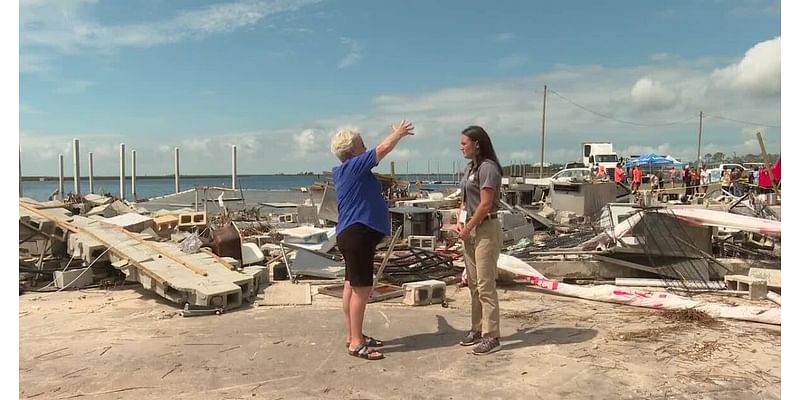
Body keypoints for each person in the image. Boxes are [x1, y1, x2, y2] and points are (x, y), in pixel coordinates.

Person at [330, 120, 415, 360]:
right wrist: (398, 134)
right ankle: (356, 342)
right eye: (361, 144)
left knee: (351, 286)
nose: (365, 147)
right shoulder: (354, 166)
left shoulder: (347, 171)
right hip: (358, 234)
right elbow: (382, 149)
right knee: (362, 289)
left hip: (352, 233)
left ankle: (353, 335)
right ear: (352, 150)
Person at [457, 126, 504, 356]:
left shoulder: (488, 168)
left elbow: (485, 204)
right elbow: (465, 201)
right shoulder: (470, 169)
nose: (461, 147)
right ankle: (476, 328)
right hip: (471, 229)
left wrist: (469, 227)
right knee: (474, 284)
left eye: (464, 143)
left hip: (485, 229)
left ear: (477, 144)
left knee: (485, 285)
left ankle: (492, 335)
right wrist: (460, 221)